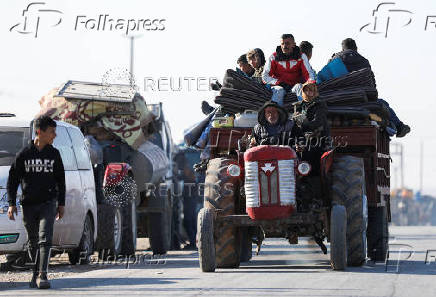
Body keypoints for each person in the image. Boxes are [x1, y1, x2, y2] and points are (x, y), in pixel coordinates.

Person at [7, 116, 65, 289]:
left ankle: (43, 275)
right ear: (39, 132)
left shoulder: (54, 154)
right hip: (29, 204)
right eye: (51, 132)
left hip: (48, 202)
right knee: (33, 241)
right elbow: (13, 180)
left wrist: (61, 203)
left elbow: (61, 180)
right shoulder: (24, 154)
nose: (54, 135)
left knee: (45, 238)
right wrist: (12, 203)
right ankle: (35, 273)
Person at [331, 38, 410, 137]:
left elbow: (325, 80)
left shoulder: (333, 61)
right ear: (356, 49)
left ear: (342, 49)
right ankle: (399, 127)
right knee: (383, 103)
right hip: (361, 101)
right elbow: (372, 87)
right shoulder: (363, 61)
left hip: (336, 102)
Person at [263, 34, 316, 106]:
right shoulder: (273, 57)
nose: (284, 46)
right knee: (279, 91)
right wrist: (278, 82)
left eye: (287, 43)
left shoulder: (302, 56)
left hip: (294, 86)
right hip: (279, 86)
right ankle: (277, 113)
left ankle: (305, 110)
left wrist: (310, 84)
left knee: (299, 87)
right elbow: (265, 76)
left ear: (293, 44)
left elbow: (309, 74)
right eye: (282, 43)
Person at [292, 82, 330, 175]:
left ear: (315, 92)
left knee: (309, 152)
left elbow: (317, 123)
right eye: (306, 90)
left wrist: (303, 121)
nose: (308, 93)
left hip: (318, 138)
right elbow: (295, 124)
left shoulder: (320, 105)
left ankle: (312, 177)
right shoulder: (299, 105)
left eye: (311, 90)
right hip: (302, 137)